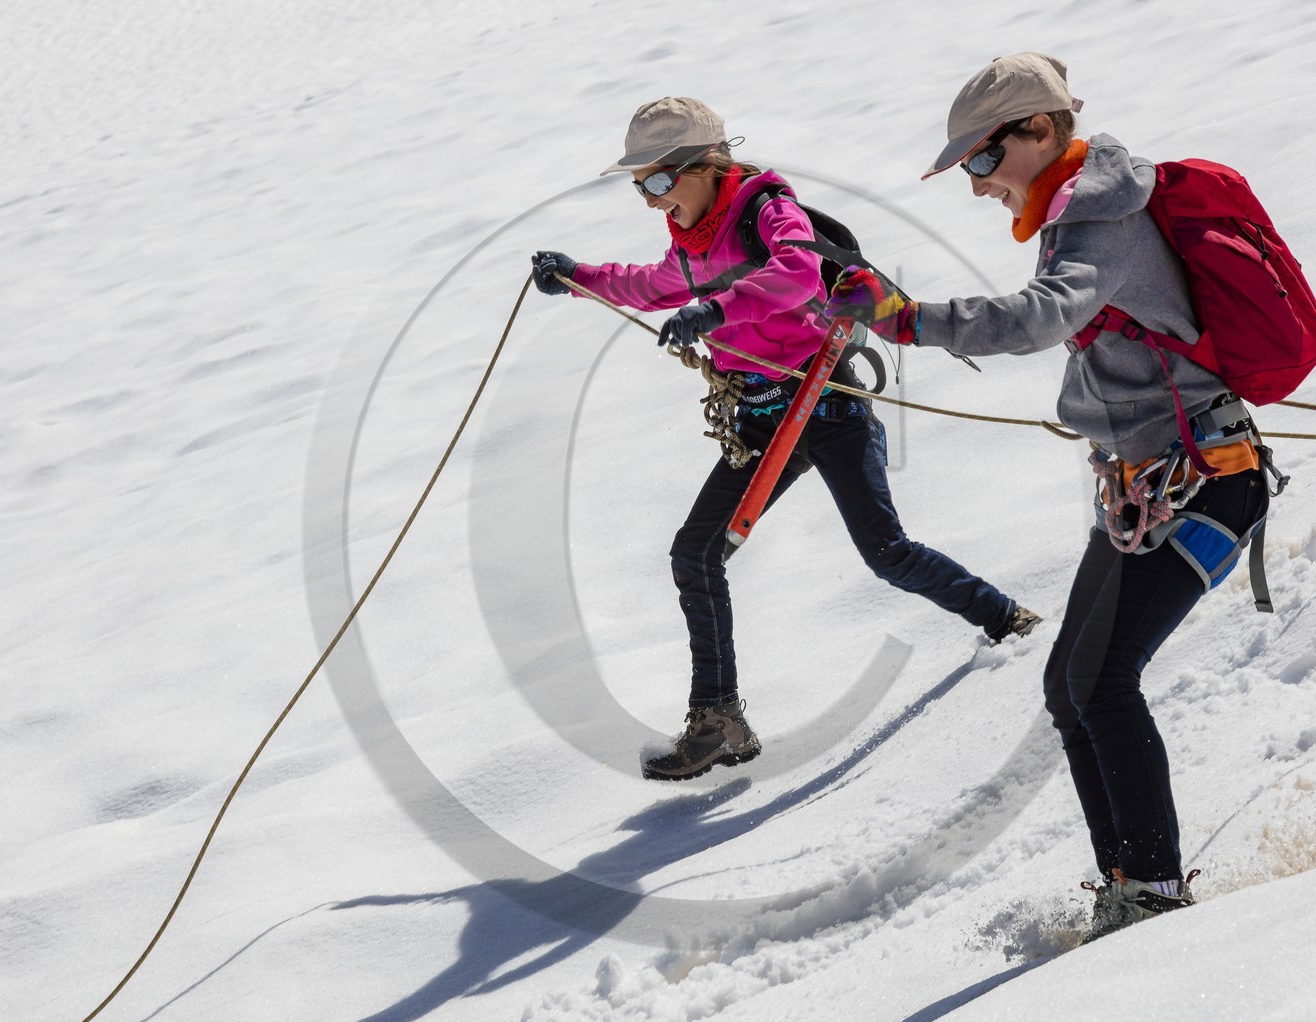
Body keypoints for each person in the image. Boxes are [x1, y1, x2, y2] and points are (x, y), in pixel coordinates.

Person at [825, 54, 1270, 938]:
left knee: (1101, 680)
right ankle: (1128, 882)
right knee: (1072, 685)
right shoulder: (1076, 217)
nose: (979, 187)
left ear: (1038, 132)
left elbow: (1036, 320)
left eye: (984, 162)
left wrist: (905, 317)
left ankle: (1151, 894)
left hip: (1211, 484)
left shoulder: (1103, 218)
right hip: (1151, 487)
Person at [530, 97, 1040, 781]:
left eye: (658, 181)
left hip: (826, 403)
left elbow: (798, 270)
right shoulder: (692, 238)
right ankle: (719, 721)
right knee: (695, 554)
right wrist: (576, 277)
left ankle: (1005, 617)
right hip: (760, 420)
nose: (651, 200)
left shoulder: (766, 206)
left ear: (706, 167)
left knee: (885, 554)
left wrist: (715, 307)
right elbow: (653, 286)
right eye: (639, 185)